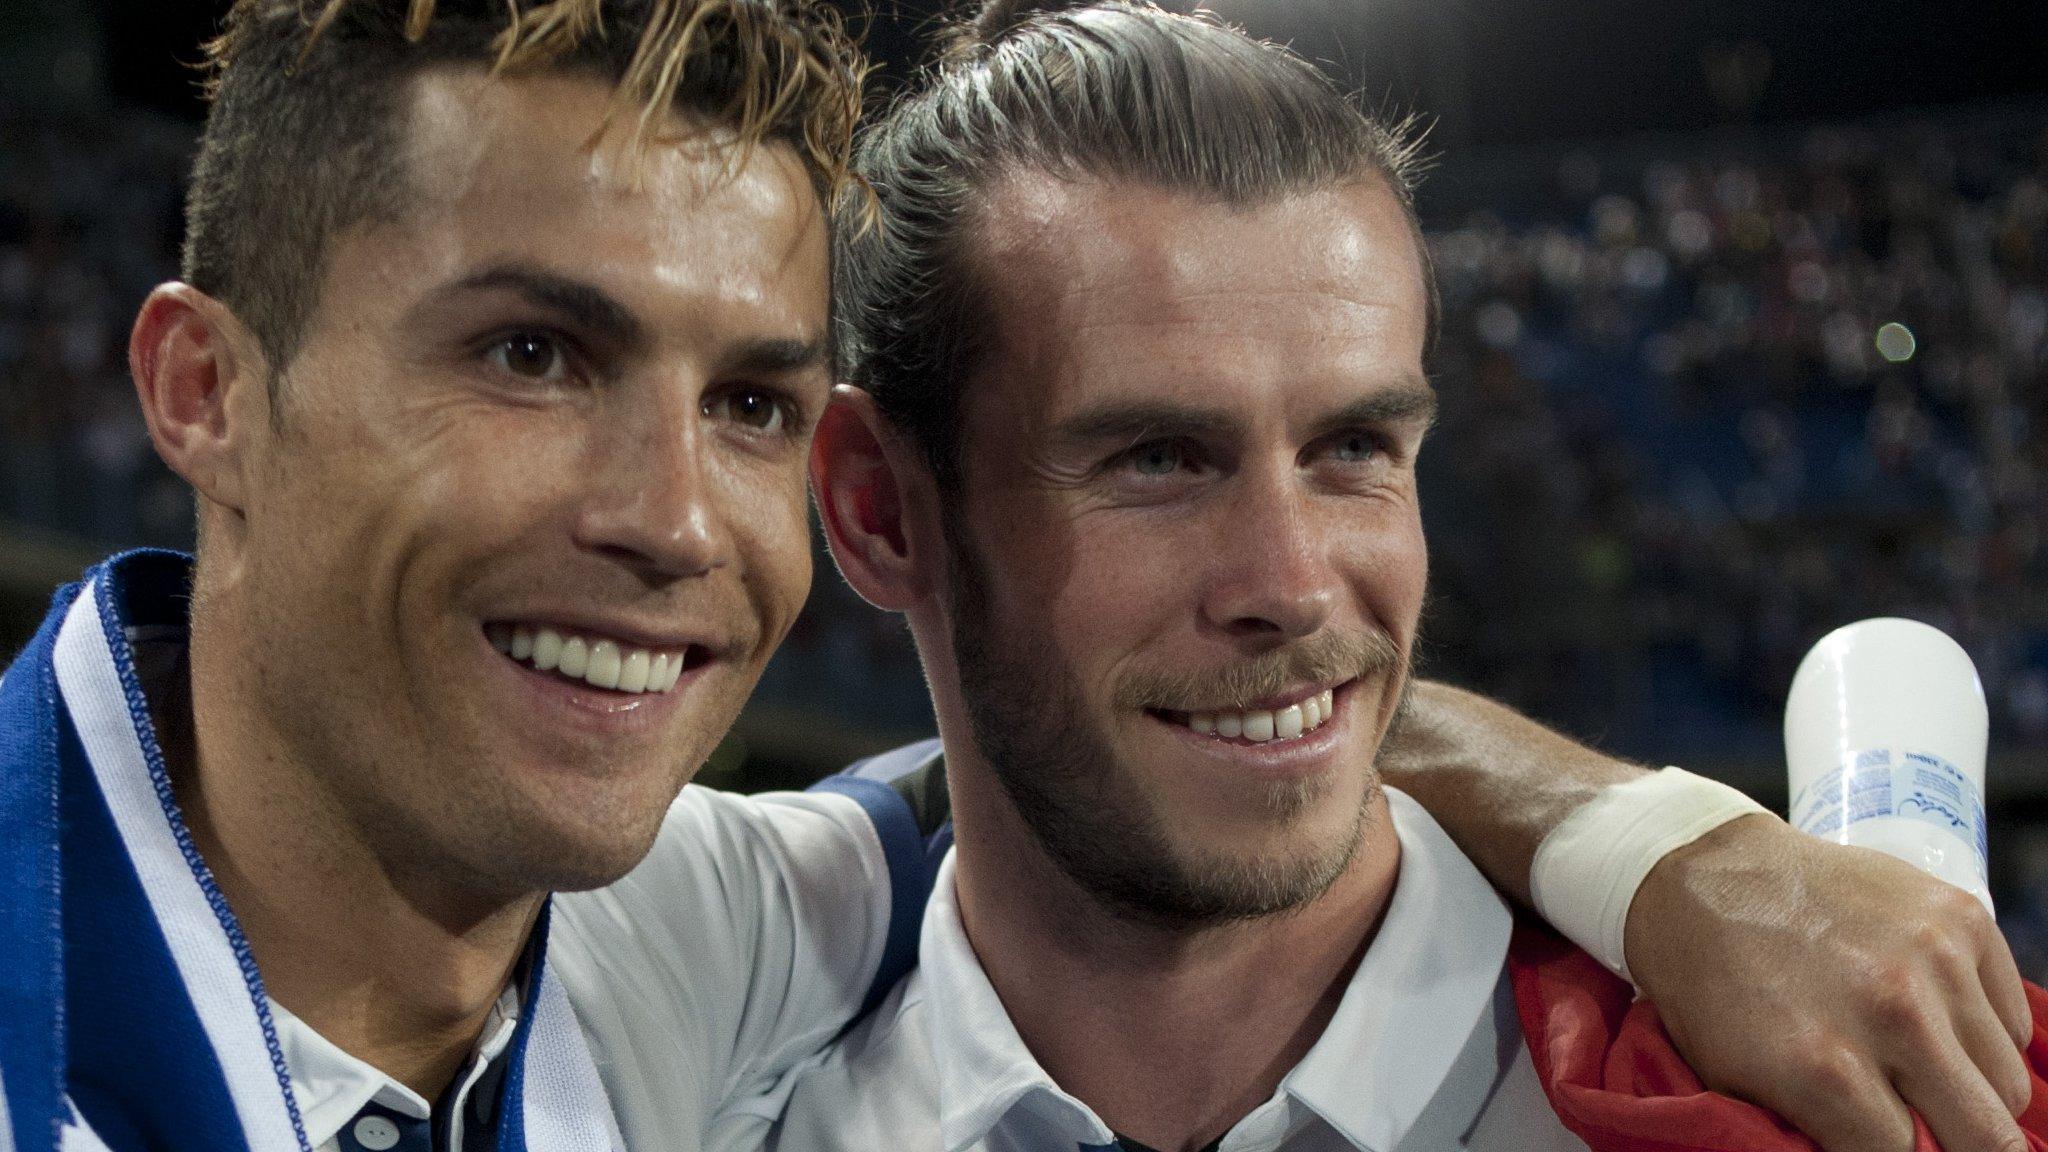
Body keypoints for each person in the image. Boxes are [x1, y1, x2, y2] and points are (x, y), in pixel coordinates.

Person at [0, 2, 2025, 1152]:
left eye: (1351, 449)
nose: (670, 519)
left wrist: (1656, 844)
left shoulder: (684, 946)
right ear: (205, 390)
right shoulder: (706, 1017)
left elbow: (1040, 755)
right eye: (530, 355)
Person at [766, 2, 2045, 1151]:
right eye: (1157, 459)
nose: (1294, 582)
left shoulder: (1795, 1097)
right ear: (880, 511)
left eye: (1353, 448)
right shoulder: (696, 1092)